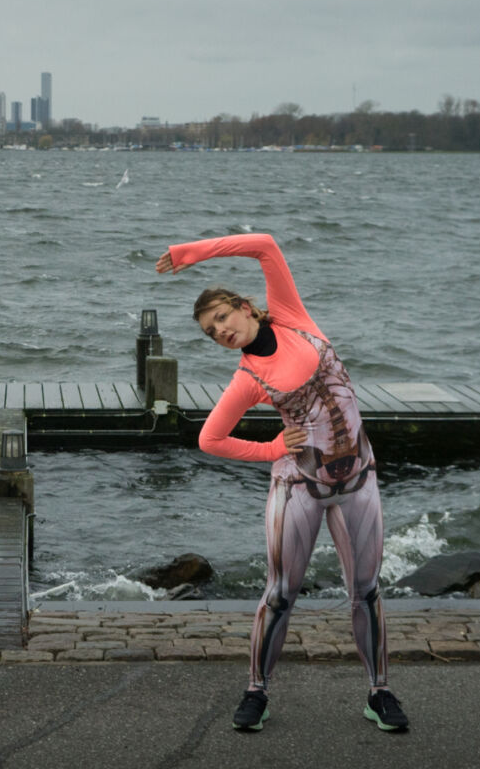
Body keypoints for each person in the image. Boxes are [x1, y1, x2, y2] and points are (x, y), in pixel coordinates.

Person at [154, 232, 408, 733]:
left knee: (366, 590)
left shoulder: (292, 316)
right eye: (210, 331)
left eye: (222, 317)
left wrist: (189, 254)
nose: (220, 331)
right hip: (299, 486)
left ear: (246, 307)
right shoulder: (248, 378)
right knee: (281, 592)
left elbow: (265, 245)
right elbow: (210, 439)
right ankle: (256, 692)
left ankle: (380, 692)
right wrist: (271, 449)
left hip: (358, 476)